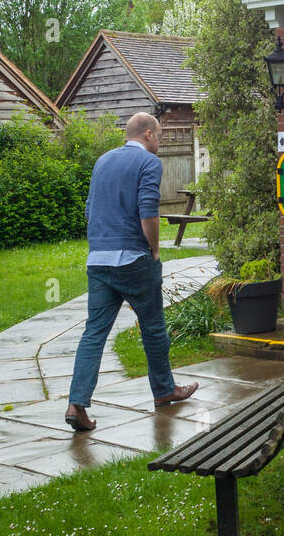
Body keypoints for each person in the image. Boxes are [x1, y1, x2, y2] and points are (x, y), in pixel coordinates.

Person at [65, 111, 198, 431]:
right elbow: (148, 211)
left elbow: (89, 209)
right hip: (134, 260)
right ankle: (165, 390)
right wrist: (154, 249)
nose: (161, 142)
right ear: (149, 134)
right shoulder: (149, 163)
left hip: (98, 260)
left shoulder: (103, 161)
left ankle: (76, 404)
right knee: (153, 326)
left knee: (93, 333)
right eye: (160, 136)